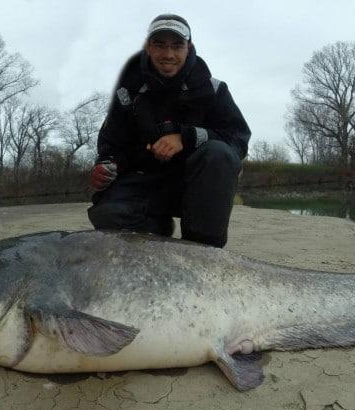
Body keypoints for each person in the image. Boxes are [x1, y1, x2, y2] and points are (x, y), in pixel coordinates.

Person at [87, 13, 251, 248]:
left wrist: (186, 137)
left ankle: (204, 248)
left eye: (177, 45)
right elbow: (111, 144)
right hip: (145, 182)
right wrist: (107, 164)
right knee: (108, 215)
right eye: (160, 45)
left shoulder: (214, 89)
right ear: (148, 47)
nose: (168, 54)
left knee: (219, 154)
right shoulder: (127, 91)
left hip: (194, 186)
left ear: (189, 47)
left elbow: (238, 139)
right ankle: (156, 233)